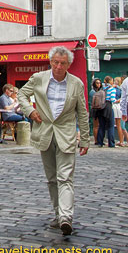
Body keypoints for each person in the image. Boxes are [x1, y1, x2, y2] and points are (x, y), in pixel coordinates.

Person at [18, 46, 89, 236]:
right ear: (50, 62)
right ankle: (58, 215)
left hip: (66, 134)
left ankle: (66, 217)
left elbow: (82, 112)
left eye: (63, 63)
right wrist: (30, 111)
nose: (58, 66)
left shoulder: (76, 83)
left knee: (65, 177)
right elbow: (21, 95)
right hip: (45, 133)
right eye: (55, 62)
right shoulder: (39, 78)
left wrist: (85, 139)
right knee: (51, 179)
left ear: (69, 64)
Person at [96, 76, 116, 148]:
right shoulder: (112, 89)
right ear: (110, 81)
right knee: (110, 125)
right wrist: (118, 101)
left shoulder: (101, 88)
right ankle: (111, 143)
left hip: (100, 107)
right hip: (108, 107)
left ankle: (100, 142)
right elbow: (112, 99)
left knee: (101, 126)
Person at [113, 76, 125, 146]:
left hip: (115, 106)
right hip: (120, 106)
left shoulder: (115, 89)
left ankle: (121, 141)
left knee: (117, 124)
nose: (114, 82)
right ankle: (121, 141)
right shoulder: (121, 89)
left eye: (115, 81)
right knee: (119, 124)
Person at [89, 78, 102, 143]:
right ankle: (96, 140)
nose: (98, 84)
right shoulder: (92, 92)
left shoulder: (99, 91)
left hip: (100, 109)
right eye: (97, 83)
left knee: (99, 125)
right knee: (96, 125)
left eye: (99, 83)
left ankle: (99, 139)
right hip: (95, 109)